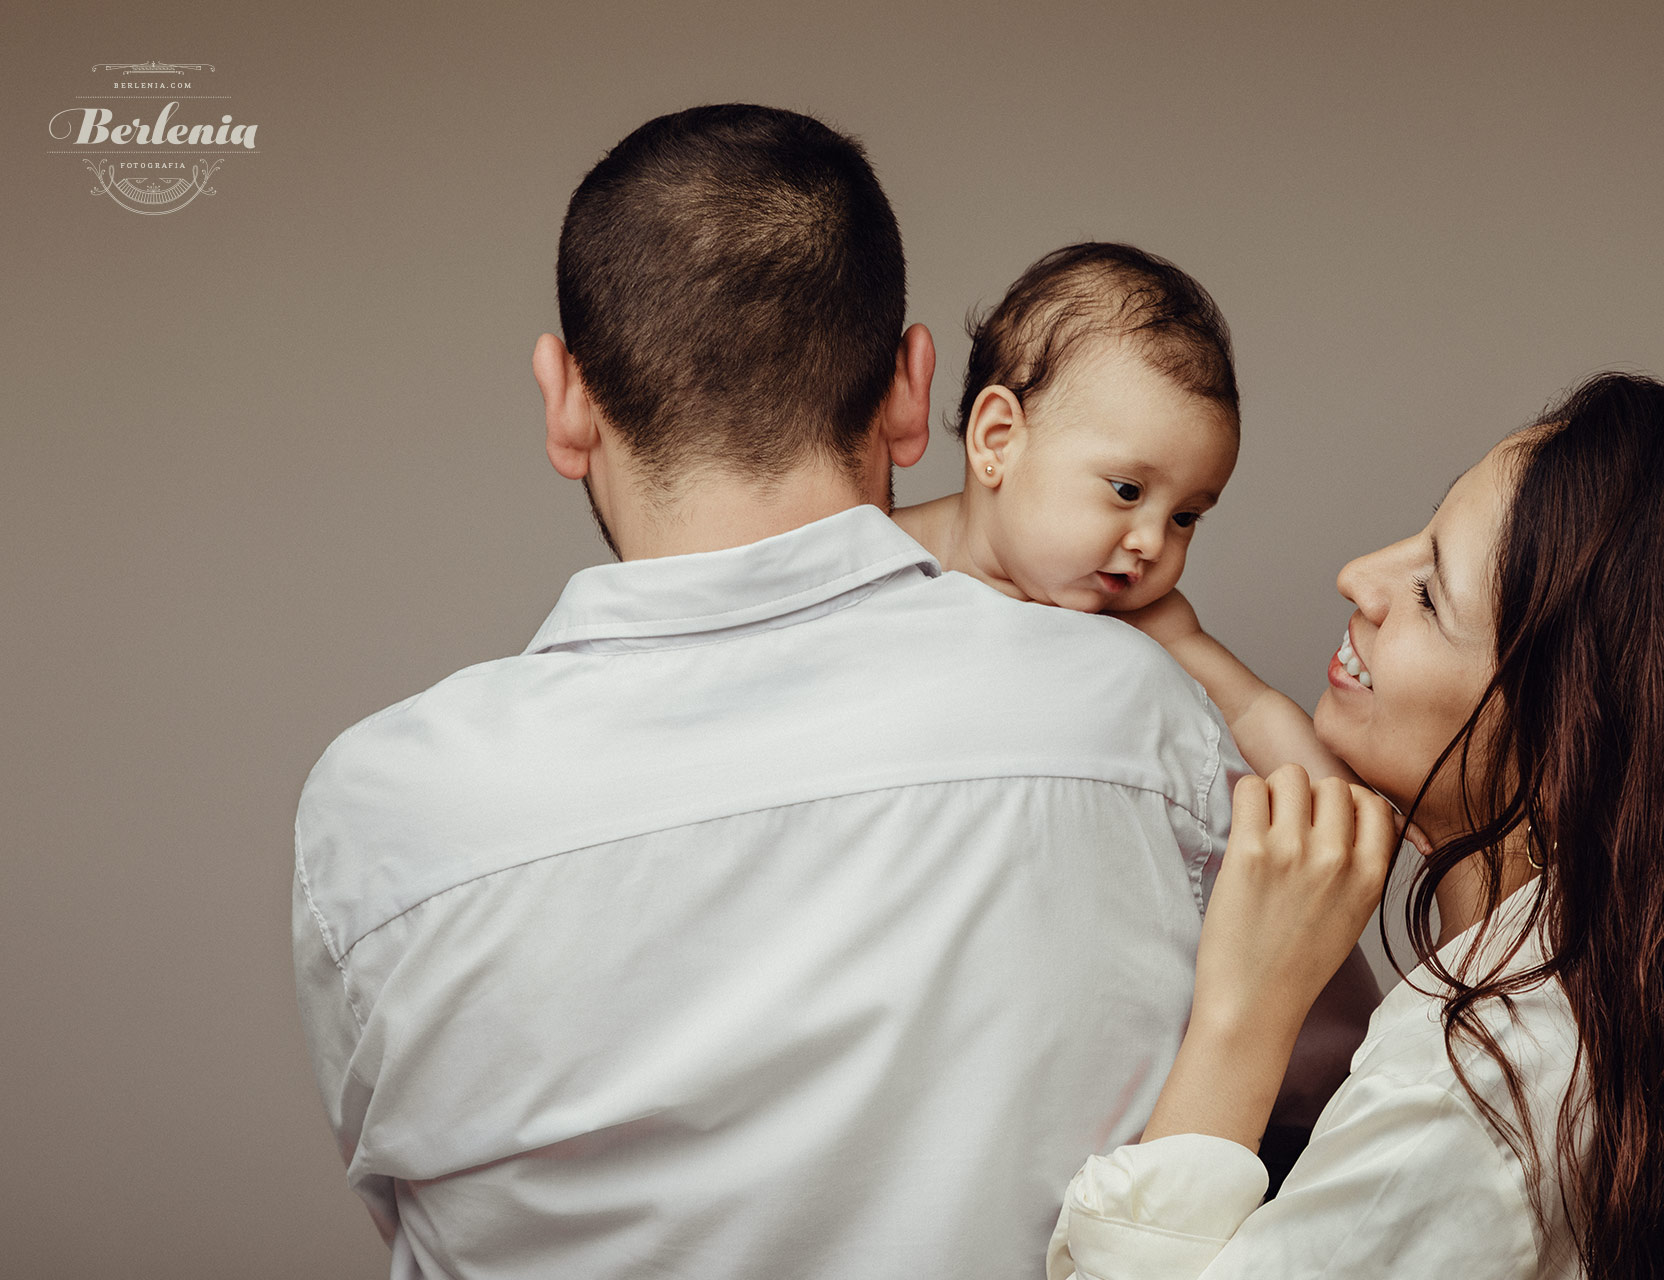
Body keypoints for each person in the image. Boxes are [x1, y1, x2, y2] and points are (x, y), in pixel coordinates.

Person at [292, 104, 1247, 1280]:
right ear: (914, 394)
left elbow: (415, 1201)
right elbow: (1282, 1125)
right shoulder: (1138, 719)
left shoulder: (383, 812)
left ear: (566, 400)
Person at [1048, 373, 1664, 1278]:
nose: (1361, 576)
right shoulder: (1649, 1026)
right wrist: (1192, 651)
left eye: (1431, 593)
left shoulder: (1467, 1094)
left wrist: (1243, 1014)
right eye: (1422, 536)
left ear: (1571, 741)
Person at [893, 241, 1382, 1181]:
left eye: (1190, 514)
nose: (1151, 541)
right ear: (998, 440)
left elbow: (1257, 715)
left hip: (1273, 1080)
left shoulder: (1148, 617)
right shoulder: (885, 570)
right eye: (1127, 490)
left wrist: (1333, 799)